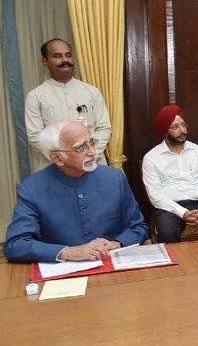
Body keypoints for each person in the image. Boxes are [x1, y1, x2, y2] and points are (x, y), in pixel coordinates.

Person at [4, 121, 148, 262]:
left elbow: (139, 227)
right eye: (80, 148)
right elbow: (16, 245)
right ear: (57, 158)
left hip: (111, 266)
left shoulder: (114, 178)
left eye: (92, 143)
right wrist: (69, 252)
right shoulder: (32, 188)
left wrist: (116, 243)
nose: (92, 152)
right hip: (62, 275)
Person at [25, 38, 112, 172]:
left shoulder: (91, 92)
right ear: (45, 62)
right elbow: (35, 135)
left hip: (94, 164)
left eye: (68, 55)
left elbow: (104, 128)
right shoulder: (36, 96)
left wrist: (90, 155)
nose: (65, 60)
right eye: (57, 56)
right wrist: (64, 159)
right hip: (55, 167)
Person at [142, 104, 198, 243]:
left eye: (183, 125)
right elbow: (156, 195)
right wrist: (184, 213)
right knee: (167, 232)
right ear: (165, 131)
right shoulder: (151, 158)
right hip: (169, 207)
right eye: (175, 127)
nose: (182, 130)